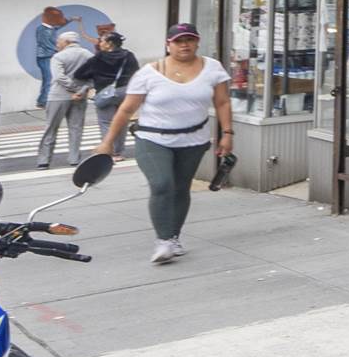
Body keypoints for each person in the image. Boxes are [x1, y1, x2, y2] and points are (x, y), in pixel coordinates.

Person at [103, 23, 234, 266]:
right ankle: (163, 241)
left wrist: (227, 133)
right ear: (168, 45)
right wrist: (107, 143)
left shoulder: (213, 68)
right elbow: (126, 109)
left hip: (193, 140)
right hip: (153, 139)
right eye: (178, 41)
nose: (184, 45)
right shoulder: (148, 73)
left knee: (181, 188)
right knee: (162, 184)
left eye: (189, 40)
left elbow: (223, 102)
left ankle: (173, 237)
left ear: (197, 42)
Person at [35, 26, 111, 171]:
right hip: (80, 97)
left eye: (59, 41)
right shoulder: (88, 55)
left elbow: (59, 77)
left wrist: (74, 88)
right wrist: (81, 90)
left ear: (67, 42)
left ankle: (44, 160)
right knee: (76, 128)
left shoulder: (58, 57)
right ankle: (74, 159)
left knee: (51, 128)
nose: (57, 44)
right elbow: (95, 76)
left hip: (58, 96)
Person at [29, 5, 68, 108]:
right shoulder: (42, 30)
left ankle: (44, 100)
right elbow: (46, 44)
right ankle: (43, 101)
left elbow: (60, 26)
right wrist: (59, 50)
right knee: (49, 79)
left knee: (50, 79)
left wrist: (71, 19)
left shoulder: (51, 28)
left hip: (48, 56)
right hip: (44, 57)